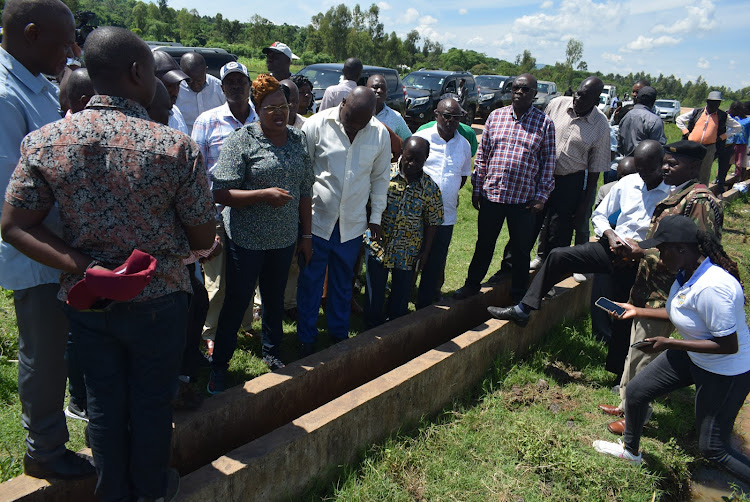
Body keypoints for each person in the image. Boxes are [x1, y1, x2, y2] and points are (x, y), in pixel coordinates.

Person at [2, 26, 216, 500]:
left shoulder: (45, 142)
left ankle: (112, 491)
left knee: (102, 403)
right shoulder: (174, 148)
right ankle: (151, 488)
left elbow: (14, 226)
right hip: (159, 300)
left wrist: (83, 265)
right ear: (139, 72)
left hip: (88, 300)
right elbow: (204, 235)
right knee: (151, 403)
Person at [0, 0, 93, 481]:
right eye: (65, 41)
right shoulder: (5, 97)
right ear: (31, 34)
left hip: (60, 248)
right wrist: (74, 260)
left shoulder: (36, 85)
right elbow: (9, 206)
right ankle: (44, 450)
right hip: (39, 253)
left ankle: (50, 439)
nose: (72, 51)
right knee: (44, 352)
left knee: (58, 350)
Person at [593, 215, 750, 486]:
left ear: (682, 249)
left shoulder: (714, 287)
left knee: (713, 448)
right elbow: (680, 312)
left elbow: (727, 345)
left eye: (662, 249)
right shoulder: (686, 272)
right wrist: (636, 310)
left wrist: (670, 343)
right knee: (637, 391)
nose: (658, 254)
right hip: (694, 355)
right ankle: (630, 451)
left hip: (725, 370)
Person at [487, 139, 669, 359]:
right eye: (639, 168)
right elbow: (600, 214)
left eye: (648, 169)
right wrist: (610, 236)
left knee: (623, 312)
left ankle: (619, 372)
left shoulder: (672, 193)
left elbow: (669, 236)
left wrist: (640, 250)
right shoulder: (629, 182)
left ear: (662, 164)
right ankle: (524, 309)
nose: (642, 174)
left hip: (642, 258)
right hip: (613, 246)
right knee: (558, 256)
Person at [599, 141, 723, 435]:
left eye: (673, 164)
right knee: (636, 347)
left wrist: (643, 253)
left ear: (693, 167)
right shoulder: (677, 194)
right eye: (665, 162)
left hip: (668, 290)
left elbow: (697, 251)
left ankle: (635, 417)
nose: (665, 168)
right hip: (650, 285)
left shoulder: (699, 201)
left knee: (646, 351)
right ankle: (627, 401)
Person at [208, 74, 314, 392]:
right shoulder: (242, 141)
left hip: (283, 239)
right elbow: (221, 192)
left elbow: (306, 190)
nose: (279, 113)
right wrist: (263, 194)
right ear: (257, 108)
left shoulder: (296, 140)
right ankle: (220, 365)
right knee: (238, 300)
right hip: (247, 239)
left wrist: (306, 237)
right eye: (271, 108)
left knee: (273, 297)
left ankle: (272, 351)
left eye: (284, 106)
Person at [298, 86, 391, 355]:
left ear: (372, 116)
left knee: (343, 283)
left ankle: (338, 333)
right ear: (343, 103)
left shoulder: (379, 133)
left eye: (360, 125)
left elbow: (380, 179)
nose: (353, 129)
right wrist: (300, 222)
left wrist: (375, 218)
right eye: (349, 121)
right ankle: (306, 337)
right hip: (318, 221)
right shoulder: (316, 125)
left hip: (352, 224)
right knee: (311, 282)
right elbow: (304, 175)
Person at [454, 74, 556, 302]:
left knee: (520, 251)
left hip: (524, 201)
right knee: (484, 245)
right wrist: (478, 188)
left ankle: (518, 294)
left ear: (534, 94)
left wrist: (541, 197)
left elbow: (549, 163)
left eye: (526, 89)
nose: (519, 92)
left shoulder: (544, 123)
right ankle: (471, 285)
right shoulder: (496, 116)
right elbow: (482, 156)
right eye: (516, 88)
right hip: (493, 195)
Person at [192, 61, 259, 355]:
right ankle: (210, 331)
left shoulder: (261, 121)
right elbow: (195, 173)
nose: (235, 86)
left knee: (246, 275)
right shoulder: (207, 121)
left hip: (253, 213)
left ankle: (244, 324)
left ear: (249, 86)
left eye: (240, 81)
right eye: (229, 82)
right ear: (221, 88)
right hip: (216, 213)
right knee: (217, 279)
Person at [364, 136, 443, 327]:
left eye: (418, 159)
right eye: (408, 157)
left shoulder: (430, 188)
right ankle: (372, 326)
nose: (412, 163)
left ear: (426, 158)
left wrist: (425, 251)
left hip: (408, 250)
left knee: (401, 294)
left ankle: (394, 326)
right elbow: (365, 204)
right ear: (402, 152)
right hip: (378, 245)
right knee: (374, 291)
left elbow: (433, 222)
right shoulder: (383, 175)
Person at [531, 77, 610, 265]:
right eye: (577, 94)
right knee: (532, 222)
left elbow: (596, 167)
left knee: (559, 230)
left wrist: (585, 201)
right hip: (541, 176)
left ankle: (551, 271)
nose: (577, 100)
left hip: (569, 181)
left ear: (596, 101)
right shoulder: (556, 105)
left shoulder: (600, 125)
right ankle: (530, 261)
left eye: (584, 97)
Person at [413, 97, 472, 308]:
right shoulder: (421, 138)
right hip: (416, 215)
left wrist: (450, 191)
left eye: (456, 118)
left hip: (446, 216)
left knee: (435, 262)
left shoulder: (464, 145)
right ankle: (401, 302)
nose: (451, 121)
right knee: (410, 261)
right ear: (436, 115)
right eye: (447, 116)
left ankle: (425, 305)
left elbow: (463, 176)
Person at [676, 91, 740, 185]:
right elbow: (679, 119)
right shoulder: (697, 112)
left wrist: (722, 137)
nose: (715, 105)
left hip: (709, 148)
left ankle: (702, 193)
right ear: (708, 102)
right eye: (712, 102)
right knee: (688, 168)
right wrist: (686, 132)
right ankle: (684, 191)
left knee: (704, 172)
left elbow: (737, 127)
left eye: (717, 103)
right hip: (692, 146)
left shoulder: (722, 116)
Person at [176, 52, 226, 134]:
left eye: (199, 80)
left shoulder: (219, 88)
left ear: (206, 70)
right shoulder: (176, 90)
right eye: (190, 81)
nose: (195, 85)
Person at [618, 86, 666, 157]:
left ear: (637, 99)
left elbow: (619, 144)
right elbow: (659, 148)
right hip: (646, 164)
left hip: (626, 162)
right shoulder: (655, 120)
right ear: (653, 102)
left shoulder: (626, 115)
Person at [152, 49, 190, 134]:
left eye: (178, 85)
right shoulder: (137, 118)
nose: (175, 92)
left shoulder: (176, 113)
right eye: (169, 86)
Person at [368, 74, 411, 141]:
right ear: (366, 89)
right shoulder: (358, 114)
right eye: (375, 87)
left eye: (383, 88)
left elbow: (408, 140)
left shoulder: (395, 117)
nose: (379, 91)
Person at [716, 101, 749, 190]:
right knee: (726, 162)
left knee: (739, 163)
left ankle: (738, 179)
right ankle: (718, 178)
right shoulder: (732, 118)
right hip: (730, 143)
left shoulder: (747, 120)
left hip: (742, 143)